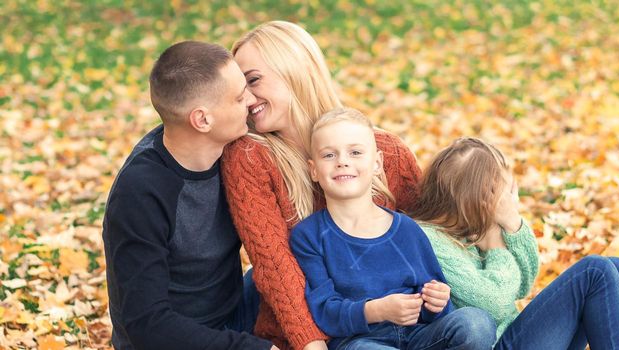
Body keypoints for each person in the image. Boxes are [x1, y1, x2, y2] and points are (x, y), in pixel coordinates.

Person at [221, 22, 421, 349]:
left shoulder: (387, 152)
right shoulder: (250, 158)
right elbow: (276, 269)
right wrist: (312, 345)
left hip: (403, 328)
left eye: (253, 80)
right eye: (239, 90)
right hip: (318, 338)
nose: (246, 98)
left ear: (295, 70)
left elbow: (433, 240)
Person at [410, 137, 619, 349]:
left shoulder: (470, 229)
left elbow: (524, 284)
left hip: (517, 336)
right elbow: (495, 303)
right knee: (596, 271)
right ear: (476, 199)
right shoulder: (430, 240)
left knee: (618, 269)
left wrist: (513, 225)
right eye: (504, 193)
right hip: (498, 344)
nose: (508, 200)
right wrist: (497, 247)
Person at [102, 41, 272, 349]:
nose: (251, 100)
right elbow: (146, 324)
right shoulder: (142, 192)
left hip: (234, 314)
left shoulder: (235, 151)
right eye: (238, 97)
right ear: (202, 120)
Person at [289, 107, 496, 349]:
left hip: (418, 337)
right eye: (329, 156)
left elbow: (434, 304)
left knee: (476, 322)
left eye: (355, 152)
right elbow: (324, 311)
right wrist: (377, 310)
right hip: (360, 341)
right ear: (313, 170)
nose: (343, 162)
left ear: (377, 163)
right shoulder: (309, 236)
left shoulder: (406, 229)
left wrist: (436, 302)